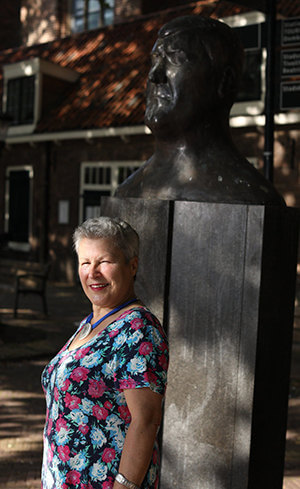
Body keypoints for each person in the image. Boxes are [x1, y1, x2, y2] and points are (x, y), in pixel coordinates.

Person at [41, 216, 169, 489]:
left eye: (104, 262)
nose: (93, 272)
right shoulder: (89, 325)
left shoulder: (138, 328)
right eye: (85, 263)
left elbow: (145, 421)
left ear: (132, 266)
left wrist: (124, 486)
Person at [116, 15, 284, 205]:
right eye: (155, 60)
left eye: (176, 58)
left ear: (225, 82)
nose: (154, 75)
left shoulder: (251, 197)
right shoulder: (128, 190)